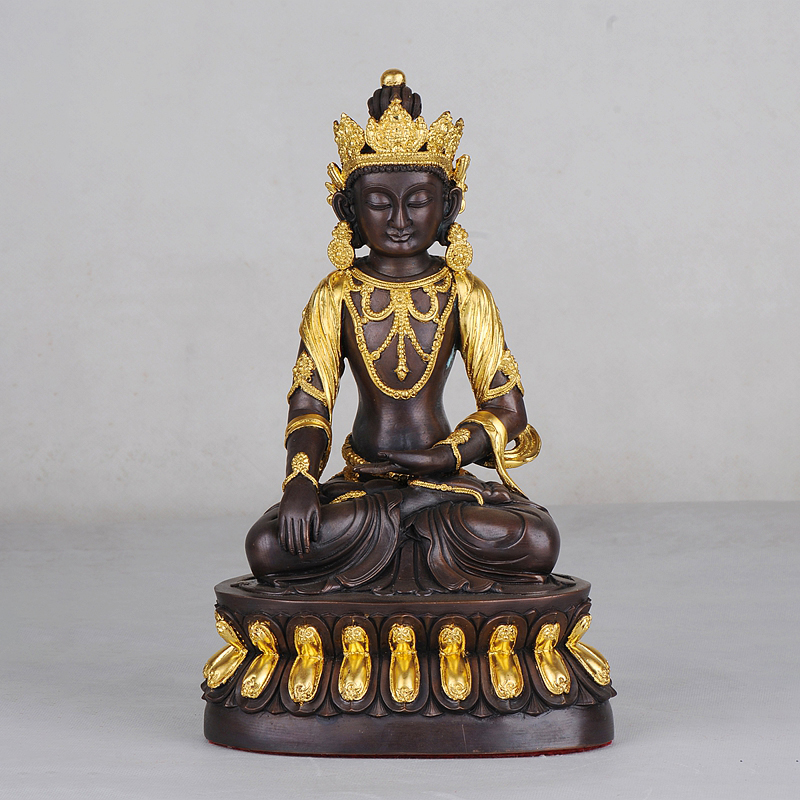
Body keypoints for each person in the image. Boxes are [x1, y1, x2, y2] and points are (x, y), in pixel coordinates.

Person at [245, 71, 560, 593]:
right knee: (265, 545)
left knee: (539, 539)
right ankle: (408, 516)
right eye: (378, 202)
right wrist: (300, 481)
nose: (398, 220)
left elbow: (508, 410)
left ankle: (410, 514)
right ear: (349, 209)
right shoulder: (335, 294)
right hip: (363, 485)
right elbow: (310, 406)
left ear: (447, 206)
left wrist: (446, 457)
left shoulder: (465, 292)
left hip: (443, 480)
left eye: (416, 201)